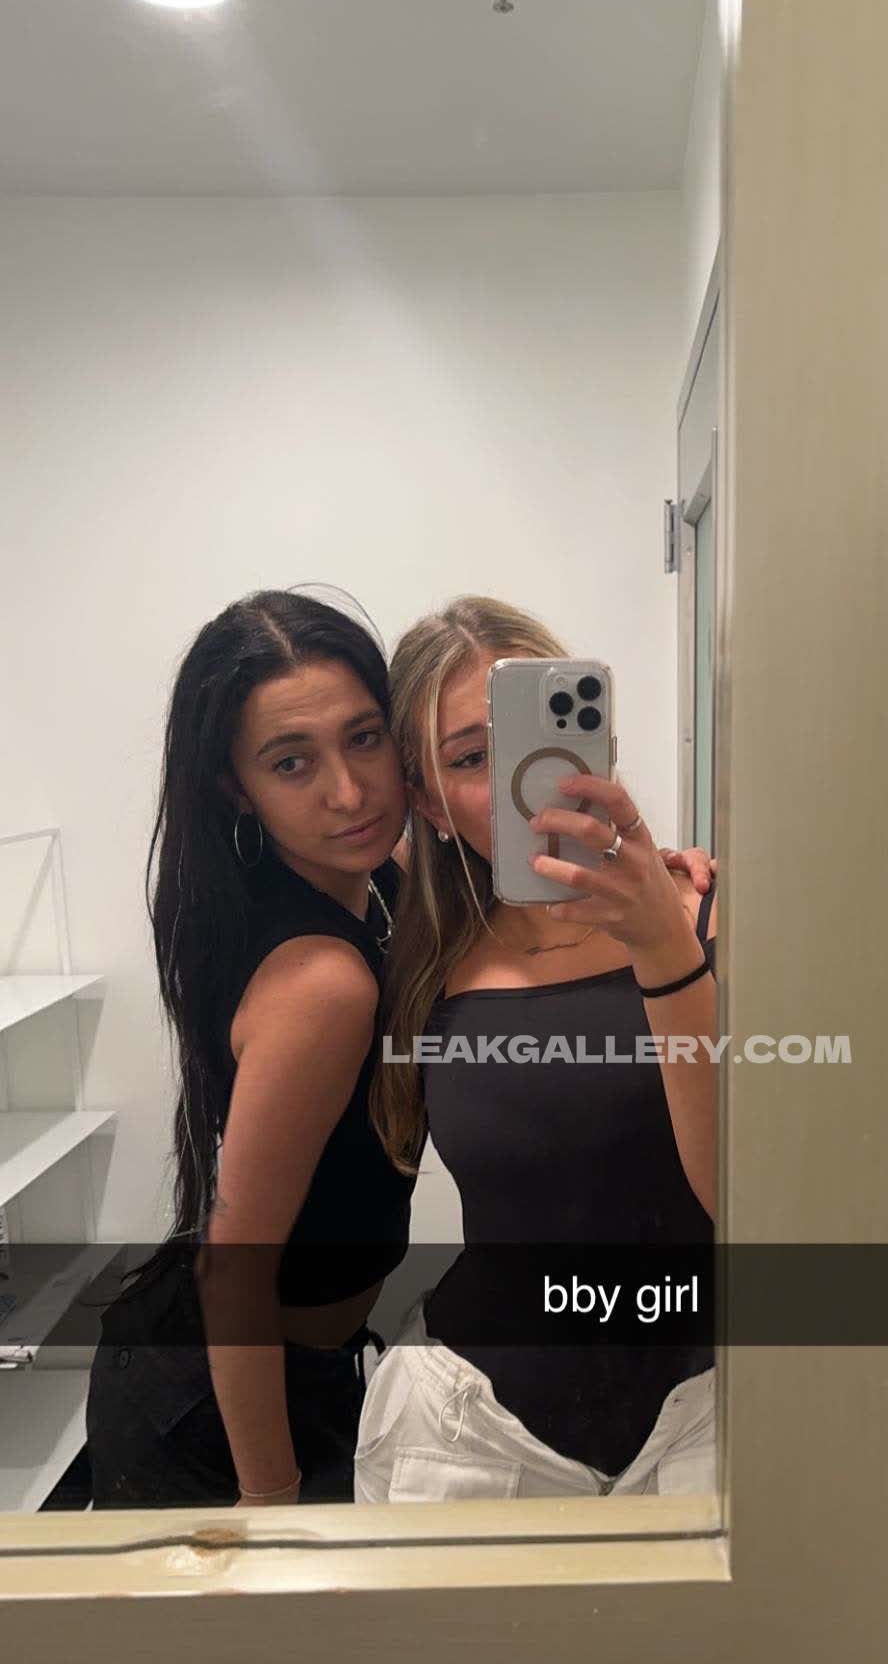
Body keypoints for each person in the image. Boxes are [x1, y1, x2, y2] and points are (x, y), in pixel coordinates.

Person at [354, 596, 720, 1503]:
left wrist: (667, 950)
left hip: (709, 1417)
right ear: (429, 803)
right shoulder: (416, 953)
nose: (524, 780)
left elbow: (748, 1201)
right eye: (470, 759)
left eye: (541, 737)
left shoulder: (710, 915)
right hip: (477, 1437)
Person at [86, 590, 416, 1507]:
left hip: (290, 1370)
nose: (348, 791)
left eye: (365, 738)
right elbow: (233, 1268)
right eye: (291, 762)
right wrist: (268, 1499)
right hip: (213, 1409)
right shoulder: (322, 982)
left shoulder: (368, 885)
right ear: (237, 786)